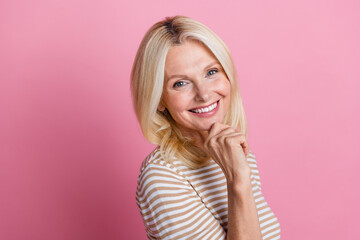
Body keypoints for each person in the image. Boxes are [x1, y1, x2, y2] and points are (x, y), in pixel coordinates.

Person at [130, 15, 281, 240]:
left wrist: (237, 172)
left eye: (211, 72)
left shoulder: (233, 152)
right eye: (180, 83)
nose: (204, 94)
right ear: (158, 99)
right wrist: (237, 180)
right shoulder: (162, 178)